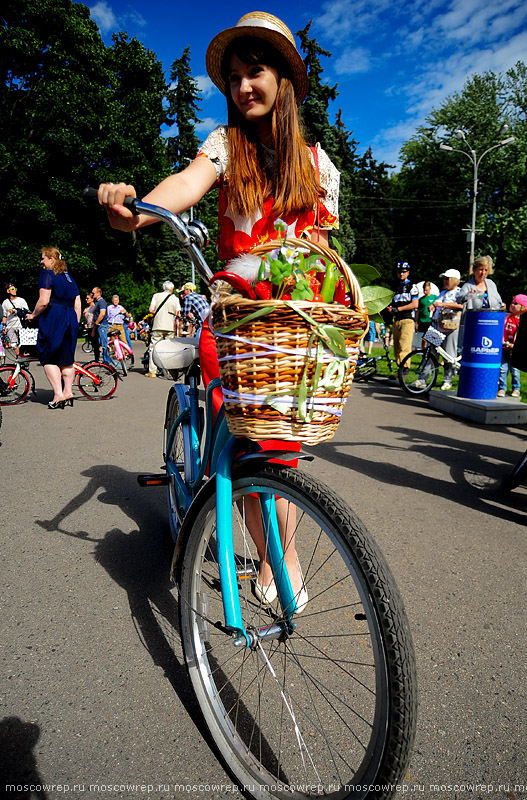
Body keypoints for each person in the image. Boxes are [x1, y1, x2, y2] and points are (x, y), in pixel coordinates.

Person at [97, 11, 341, 610]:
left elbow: (325, 256)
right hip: (236, 325)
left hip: (291, 330)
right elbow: (184, 184)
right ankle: (260, 547)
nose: (241, 87)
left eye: (254, 72)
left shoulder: (318, 165)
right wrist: (136, 211)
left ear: (283, 80)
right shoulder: (225, 148)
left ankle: (273, 556)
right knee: (242, 446)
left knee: (275, 460)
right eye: (232, 78)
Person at [25, 248, 81, 408]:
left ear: (51, 259)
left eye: (43, 258)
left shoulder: (47, 275)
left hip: (53, 319)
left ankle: (58, 394)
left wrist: (33, 315)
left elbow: (44, 301)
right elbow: (77, 303)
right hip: (70, 318)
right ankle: (68, 391)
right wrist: (75, 323)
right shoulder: (69, 277)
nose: (41, 261)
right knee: (67, 359)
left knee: (48, 357)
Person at [429, 269, 464, 390]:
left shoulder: (459, 293)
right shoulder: (442, 292)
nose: (445, 281)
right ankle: (423, 378)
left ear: (455, 280)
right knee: (430, 352)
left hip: (451, 327)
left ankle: (447, 380)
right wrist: (432, 306)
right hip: (436, 325)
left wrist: (443, 305)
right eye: (444, 279)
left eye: (447, 279)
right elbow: (436, 303)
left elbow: (461, 306)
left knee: (449, 355)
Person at [145, 281, 181, 377]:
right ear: (171, 289)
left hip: (158, 325)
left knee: (153, 347)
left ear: (163, 288)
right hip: (169, 326)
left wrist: (157, 313)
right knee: (169, 349)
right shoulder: (175, 299)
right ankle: (169, 370)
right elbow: (178, 313)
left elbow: (151, 310)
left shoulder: (156, 296)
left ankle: (152, 371)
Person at [387, 262, 419, 366]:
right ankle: (399, 369)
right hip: (396, 320)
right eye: (399, 272)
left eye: (404, 272)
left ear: (408, 273)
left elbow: (415, 304)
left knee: (404, 345)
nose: (401, 274)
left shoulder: (412, 287)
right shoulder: (395, 288)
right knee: (396, 347)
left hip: (407, 319)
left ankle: (405, 369)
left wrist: (399, 309)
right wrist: (389, 309)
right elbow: (391, 303)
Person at [497, 294, 527, 398]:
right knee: (503, 369)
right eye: (512, 303)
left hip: (514, 350)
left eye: (516, 303)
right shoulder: (507, 317)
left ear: (523, 307)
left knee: (515, 371)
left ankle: (516, 389)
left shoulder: (521, 321)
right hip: (504, 348)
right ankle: (502, 388)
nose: (512, 305)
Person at [2, 283, 29, 357]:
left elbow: (27, 312)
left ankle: (21, 357)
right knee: (13, 344)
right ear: (8, 291)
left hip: (20, 324)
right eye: (12, 289)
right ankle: (20, 356)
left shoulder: (21, 300)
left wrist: (16, 311)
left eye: (15, 289)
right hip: (10, 325)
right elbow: (5, 315)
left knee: (23, 343)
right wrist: (4, 326)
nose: (14, 291)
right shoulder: (5, 302)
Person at [91, 287, 110, 365]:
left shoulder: (101, 302)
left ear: (98, 293)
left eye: (93, 293)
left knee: (104, 344)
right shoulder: (97, 302)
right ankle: (105, 360)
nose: (92, 294)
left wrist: (96, 322)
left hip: (102, 325)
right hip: (100, 326)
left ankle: (107, 362)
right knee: (101, 344)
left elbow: (102, 313)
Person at [83, 291, 99, 360]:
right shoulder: (87, 309)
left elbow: (95, 317)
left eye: (88, 298)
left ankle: (97, 358)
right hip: (89, 326)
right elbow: (86, 319)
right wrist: (84, 315)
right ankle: (96, 357)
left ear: (92, 299)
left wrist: (94, 328)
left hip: (94, 326)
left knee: (96, 344)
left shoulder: (94, 307)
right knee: (92, 343)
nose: (86, 300)